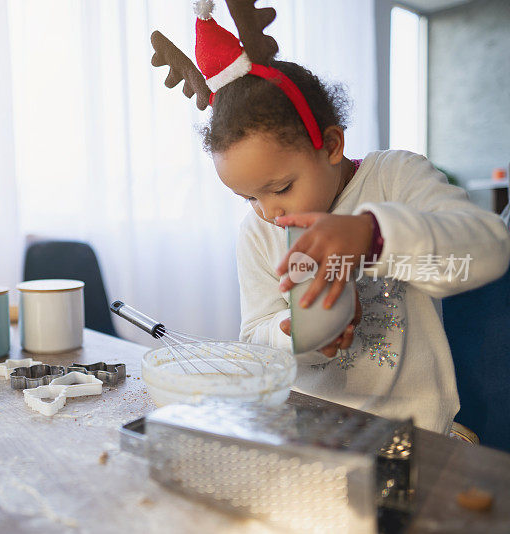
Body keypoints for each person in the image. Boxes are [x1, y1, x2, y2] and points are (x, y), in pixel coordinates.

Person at [150, 1, 510, 432]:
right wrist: (296, 333)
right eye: (248, 197)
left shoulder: (395, 178)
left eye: (281, 187)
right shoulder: (257, 233)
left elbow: (488, 250)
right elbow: (256, 335)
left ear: (331, 144)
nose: (268, 211)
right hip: (309, 426)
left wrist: (373, 236)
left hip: (414, 431)